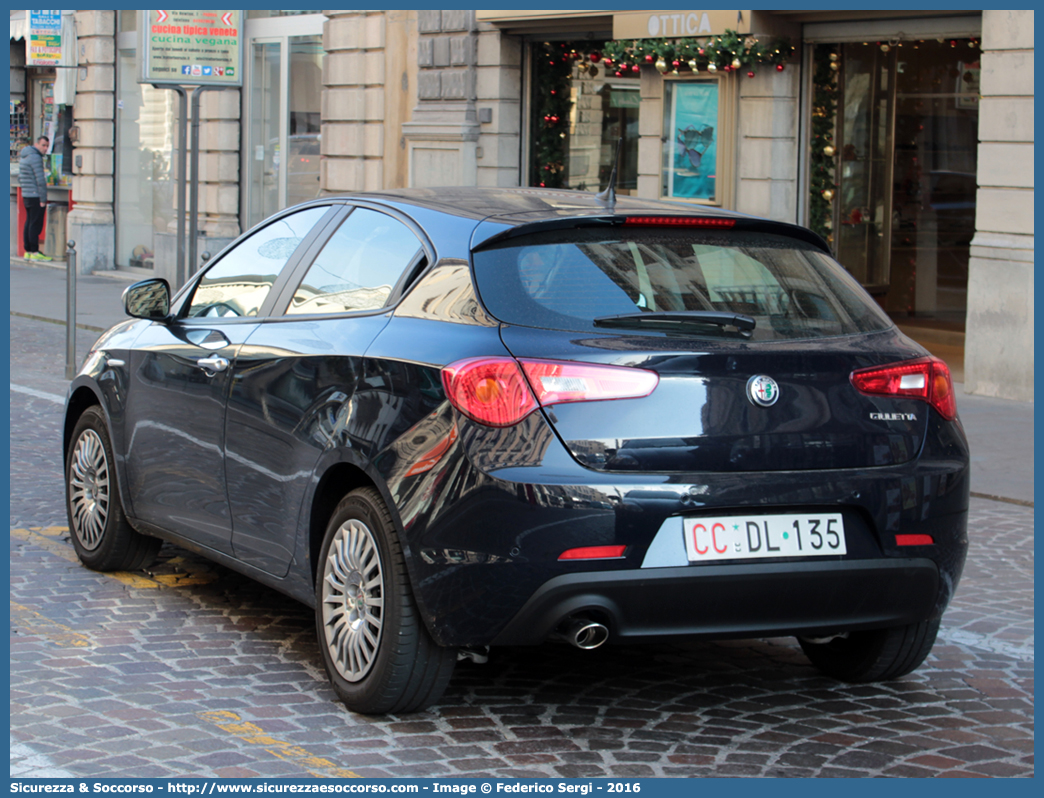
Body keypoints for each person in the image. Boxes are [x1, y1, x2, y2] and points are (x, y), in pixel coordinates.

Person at [19, 136, 52, 262]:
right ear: (36, 144)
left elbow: (20, 178)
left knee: (29, 222)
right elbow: (40, 180)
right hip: (35, 195)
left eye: (47, 146)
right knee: (35, 224)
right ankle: (34, 251)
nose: (45, 148)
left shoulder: (25, 156)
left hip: (27, 194)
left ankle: (28, 251)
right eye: (43, 145)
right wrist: (43, 199)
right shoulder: (35, 158)